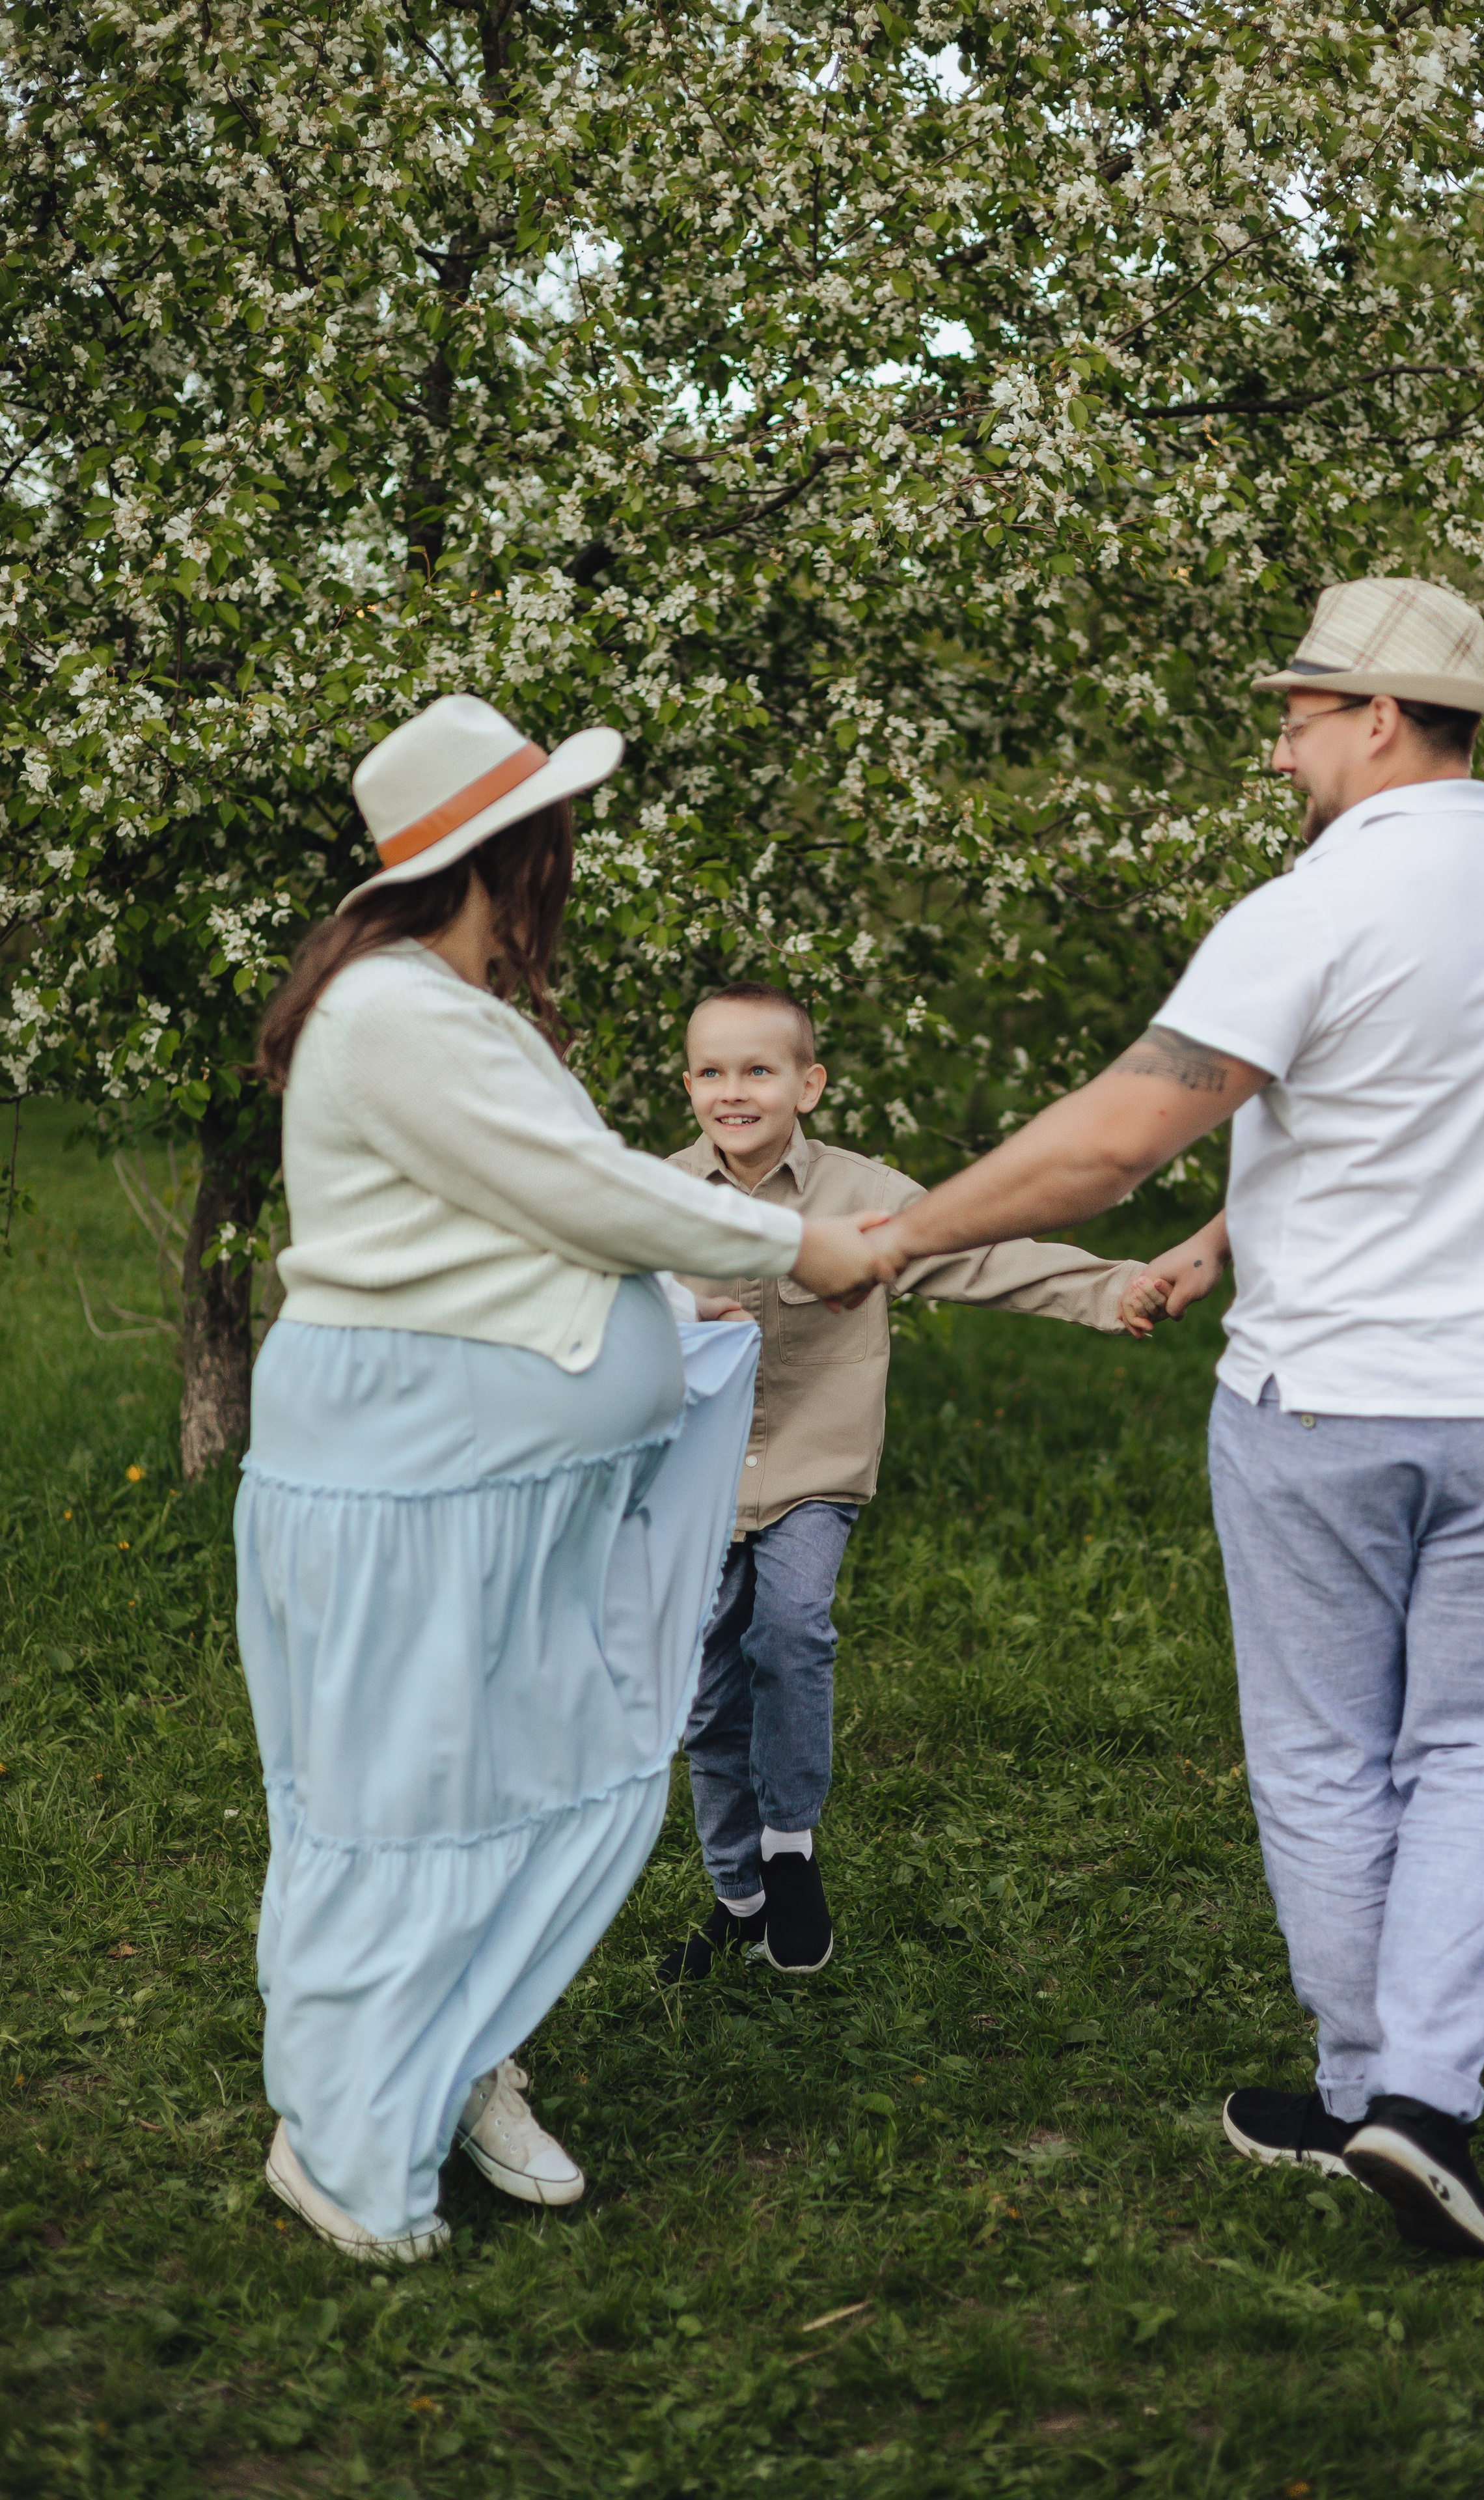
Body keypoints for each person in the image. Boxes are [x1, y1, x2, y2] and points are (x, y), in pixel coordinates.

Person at [862, 579, 1484, 2257]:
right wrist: (1233, 1228)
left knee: (1327, 1753)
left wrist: (901, 1235)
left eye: (1293, 713)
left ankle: (1366, 2099)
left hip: (1332, 1409)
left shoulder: (1314, 903)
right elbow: (1429, 1126)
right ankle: (1425, 2106)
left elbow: (1114, 1137)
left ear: (1376, 716)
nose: (1273, 745)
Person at [237, 694, 885, 2262]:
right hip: (409, 1477)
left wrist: (666, 1313)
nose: (569, 864)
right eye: (558, 838)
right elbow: (581, 1190)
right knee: (398, 1792)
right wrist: (797, 1240)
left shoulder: (453, 1012)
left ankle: (454, 2058)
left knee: (486, 1776)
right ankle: (336, 2135)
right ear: (511, 852)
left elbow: (511, 1233)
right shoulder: (395, 1013)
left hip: (492, 1484)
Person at [655, 983, 1147, 1980]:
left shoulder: (863, 1194)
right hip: (690, 1483)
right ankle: (737, 1896)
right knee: (705, 1694)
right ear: (688, 1085)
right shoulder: (652, 1195)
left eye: (759, 1070)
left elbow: (988, 1258)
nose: (733, 1091)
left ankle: (790, 1852)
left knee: (790, 1630)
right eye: (712, 1071)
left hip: (811, 1468)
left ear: (810, 1084)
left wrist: (1111, 1290)